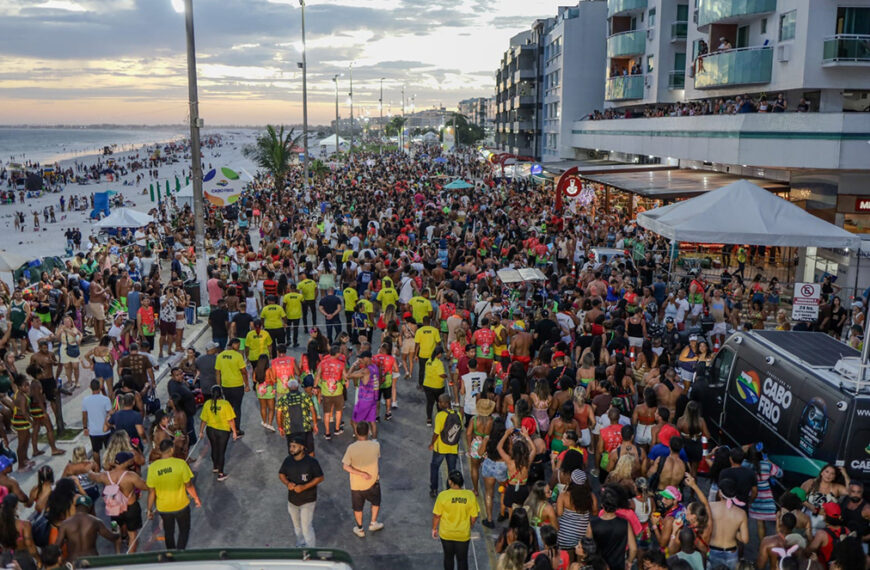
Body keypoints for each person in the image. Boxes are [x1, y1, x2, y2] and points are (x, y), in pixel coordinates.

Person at [86, 451, 149, 552]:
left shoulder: (105, 475)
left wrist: (89, 470)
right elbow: (146, 486)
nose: (132, 461)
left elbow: (92, 476)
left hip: (114, 510)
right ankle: (130, 558)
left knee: (115, 530)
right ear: (125, 462)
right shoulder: (131, 476)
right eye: (130, 460)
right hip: (131, 509)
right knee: (132, 535)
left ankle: (118, 553)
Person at [146, 439, 202, 551]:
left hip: (164, 507)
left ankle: (171, 552)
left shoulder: (153, 468)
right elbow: (189, 485)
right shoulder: (181, 464)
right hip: (181, 505)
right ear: (171, 450)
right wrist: (196, 498)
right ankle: (180, 551)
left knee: (169, 531)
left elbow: (152, 492)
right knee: (184, 530)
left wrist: (149, 509)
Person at [278, 434, 324, 548]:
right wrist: (287, 483)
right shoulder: (288, 460)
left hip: (308, 500)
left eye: (294, 446)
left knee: (306, 527)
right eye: (290, 446)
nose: (291, 449)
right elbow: (281, 474)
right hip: (292, 501)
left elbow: (320, 477)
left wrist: (304, 487)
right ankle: (300, 545)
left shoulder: (312, 462)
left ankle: (310, 550)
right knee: (297, 526)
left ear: (302, 447)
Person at [342, 422, 383, 538]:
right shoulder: (376, 446)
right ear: (368, 432)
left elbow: (345, 466)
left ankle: (360, 528)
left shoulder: (351, 448)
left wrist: (360, 473)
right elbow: (377, 457)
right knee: (376, 502)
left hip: (357, 485)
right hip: (373, 482)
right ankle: (373, 522)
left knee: (358, 507)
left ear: (356, 432)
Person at [433, 470, 479, 570]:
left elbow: (437, 515)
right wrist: (470, 525)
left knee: (448, 558)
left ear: (450, 482)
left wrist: (434, 528)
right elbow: (474, 516)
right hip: (463, 533)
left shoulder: (443, 496)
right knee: (462, 560)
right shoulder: (470, 495)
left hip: (446, 533)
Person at [55, 495, 121, 560]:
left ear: (75, 507)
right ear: (90, 508)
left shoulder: (65, 524)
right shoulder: (95, 521)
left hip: (74, 561)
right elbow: (112, 537)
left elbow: (57, 546)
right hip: (92, 560)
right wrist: (117, 531)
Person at [587, 485, 637, 570]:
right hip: (618, 566)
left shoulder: (592, 524)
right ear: (616, 505)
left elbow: (587, 548)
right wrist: (629, 562)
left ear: (602, 505)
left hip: (599, 566)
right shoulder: (625, 523)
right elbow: (633, 549)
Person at [198, 386, 239, 481]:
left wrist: (201, 431)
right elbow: (231, 420)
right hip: (223, 432)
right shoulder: (225, 404)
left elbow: (203, 420)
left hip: (210, 430)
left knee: (214, 448)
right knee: (221, 451)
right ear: (221, 393)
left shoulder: (208, 403)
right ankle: (221, 474)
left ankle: (215, 467)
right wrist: (234, 432)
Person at [706, 478, 749, 569]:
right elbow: (745, 539)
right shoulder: (741, 513)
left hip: (713, 550)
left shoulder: (710, 506)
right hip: (731, 553)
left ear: (720, 492)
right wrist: (733, 532)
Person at [215, 337, 250, 436]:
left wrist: (219, 386)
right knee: (237, 408)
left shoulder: (220, 356)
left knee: (229, 407)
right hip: (237, 385)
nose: (238, 347)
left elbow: (218, 373)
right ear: (233, 345)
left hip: (226, 386)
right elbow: (244, 371)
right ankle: (237, 429)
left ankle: (229, 427)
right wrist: (247, 385)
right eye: (238, 345)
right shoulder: (238, 356)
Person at [430, 393, 461, 497]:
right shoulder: (458, 414)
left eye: (440, 402)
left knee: (435, 467)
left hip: (441, 447)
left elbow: (436, 433)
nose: (438, 403)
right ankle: (450, 490)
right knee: (451, 470)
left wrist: (431, 444)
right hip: (453, 447)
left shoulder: (440, 415)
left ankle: (434, 489)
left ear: (444, 403)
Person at [276, 377, 318, 452]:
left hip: (290, 430)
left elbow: (278, 415)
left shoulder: (282, 399)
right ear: (298, 387)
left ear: (288, 388)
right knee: (310, 450)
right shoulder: (305, 397)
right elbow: (313, 410)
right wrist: (315, 424)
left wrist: (280, 428)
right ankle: (310, 463)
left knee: (294, 451)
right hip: (305, 428)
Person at [81, 379, 112, 464]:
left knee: (95, 450)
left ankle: (97, 468)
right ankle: (108, 467)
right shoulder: (106, 399)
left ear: (90, 387)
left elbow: (84, 416)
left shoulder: (85, 400)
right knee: (109, 450)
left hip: (93, 431)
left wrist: (85, 428)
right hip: (106, 430)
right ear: (100, 387)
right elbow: (110, 413)